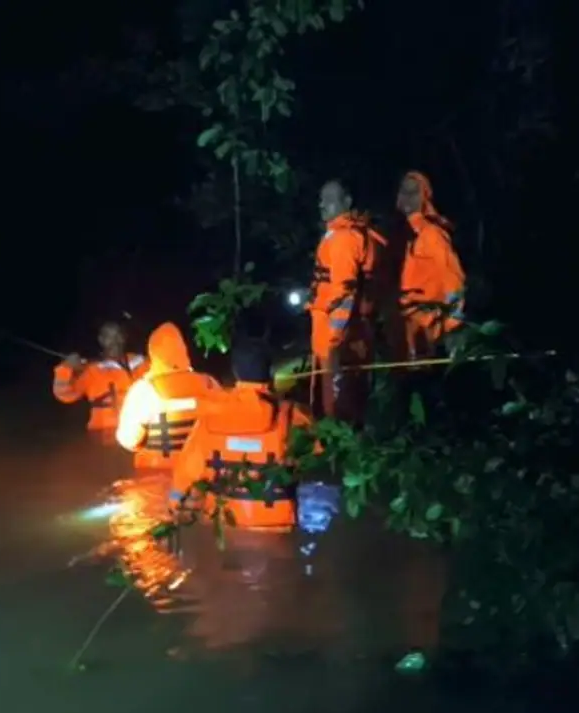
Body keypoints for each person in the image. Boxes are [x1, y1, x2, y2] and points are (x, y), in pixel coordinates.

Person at [172, 339, 314, 531]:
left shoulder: (208, 420)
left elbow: (184, 477)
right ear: (270, 372)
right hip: (277, 529)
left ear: (235, 372)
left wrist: (173, 506)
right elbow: (319, 460)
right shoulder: (293, 417)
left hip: (224, 526)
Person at [308, 178, 387, 425]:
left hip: (341, 340)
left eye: (330, 200)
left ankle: (340, 457)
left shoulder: (344, 239)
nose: (322, 205)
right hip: (352, 334)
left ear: (347, 202)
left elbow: (344, 293)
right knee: (353, 399)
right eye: (321, 199)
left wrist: (333, 342)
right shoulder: (352, 234)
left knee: (338, 408)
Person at [115, 322, 222, 471]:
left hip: (157, 473)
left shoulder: (143, 390)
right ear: (184, 350)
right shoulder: (209, 383)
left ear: (153, 353)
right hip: (203, 471)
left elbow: (130, 439)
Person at [396, 170, 467, 361]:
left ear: (424, 197)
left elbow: (453, 280)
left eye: (414, 192)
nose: (407, 197)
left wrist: (453, 326)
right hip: (403, 330)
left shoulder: (432, 235)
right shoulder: (399, 235)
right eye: (404, 191)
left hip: (429, 330)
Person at [52, 320, 148, 445]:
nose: (115, 342)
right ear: (101, 340)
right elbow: (65, 395)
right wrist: (66, 368)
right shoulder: (92, 370)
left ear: (124, 338)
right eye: (109, 337)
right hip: (104, 438)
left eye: (118, 336)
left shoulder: (141, 363)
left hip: (140, 434)